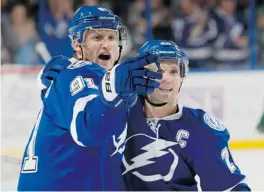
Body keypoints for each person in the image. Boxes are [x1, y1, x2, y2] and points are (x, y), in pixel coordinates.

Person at [17, 5, 162, 191]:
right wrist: (113, 90)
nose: (106, 44)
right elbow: (89, 129)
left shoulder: (103, 84)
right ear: (77, 45)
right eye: (97, 37)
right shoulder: (79, 74)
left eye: (111, 37)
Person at [121, 40, 251, 191]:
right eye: (157, 70)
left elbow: (228, 186)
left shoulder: (198, 128)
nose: (166, 78)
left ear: (182, 77)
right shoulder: (118, 117)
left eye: (174, 71)